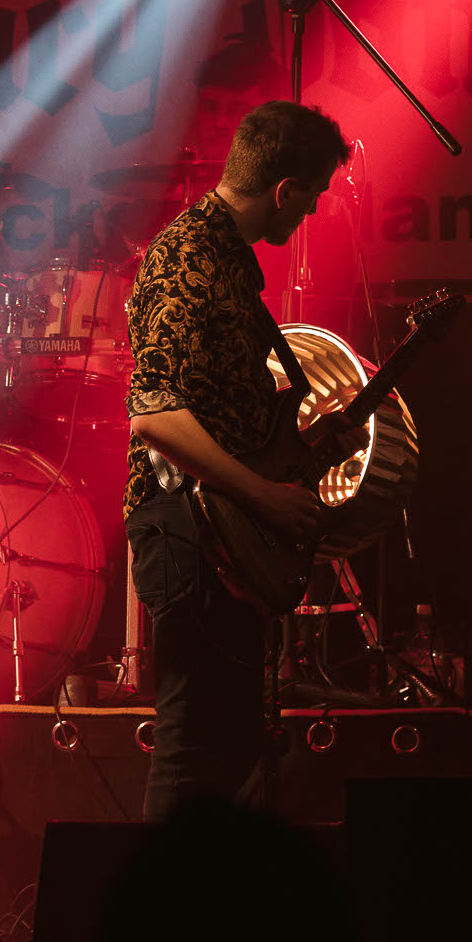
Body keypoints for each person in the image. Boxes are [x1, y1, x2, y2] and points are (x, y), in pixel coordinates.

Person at [124, 98, 350, 817]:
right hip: (188, 532)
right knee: (191, 749)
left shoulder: (225, 257)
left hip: (218, 532)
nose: (311, 212)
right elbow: (154, 414)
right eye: (312, 196)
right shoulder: (189, 256)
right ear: (285, 190)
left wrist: (297, 451)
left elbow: (221, 416)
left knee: (228, 753)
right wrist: (263, 493)